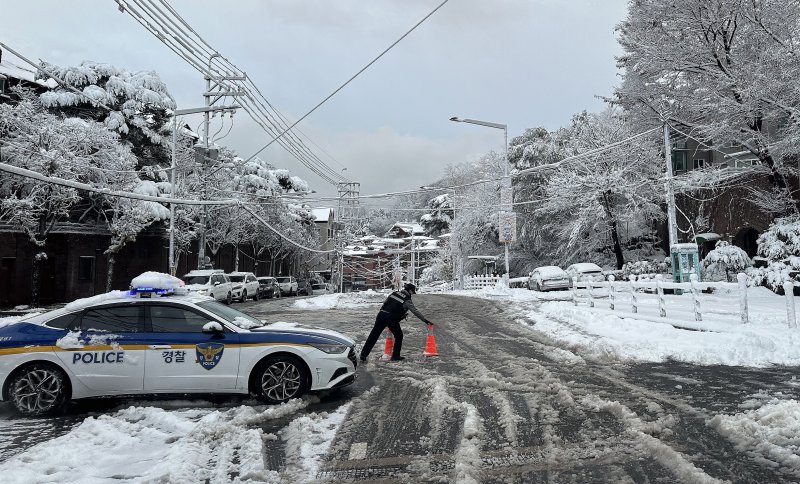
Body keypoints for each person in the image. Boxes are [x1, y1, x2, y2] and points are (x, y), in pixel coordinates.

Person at [359, 283, 433, 362]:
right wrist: (425, 320)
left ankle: (363, 355)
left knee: (373, 335)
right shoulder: (407, 299)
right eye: (412, 292)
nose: (412, 294)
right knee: (399, 335)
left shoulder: (393, 293)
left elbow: (386, 304)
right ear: (410, 290)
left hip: (381, 315)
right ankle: (395, 356)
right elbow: (415, 311)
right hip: (391, 318)